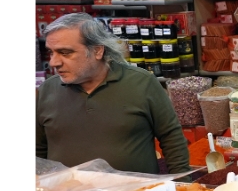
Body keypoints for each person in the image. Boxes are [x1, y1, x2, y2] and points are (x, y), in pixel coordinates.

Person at [36, 13, 190, 174]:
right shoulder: (48, 90)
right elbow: (37, 151)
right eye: (51, 53)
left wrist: (180, 186)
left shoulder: (142, 83)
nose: (54, 62)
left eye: (65, 53)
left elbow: (172, 140)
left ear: (97, 51)